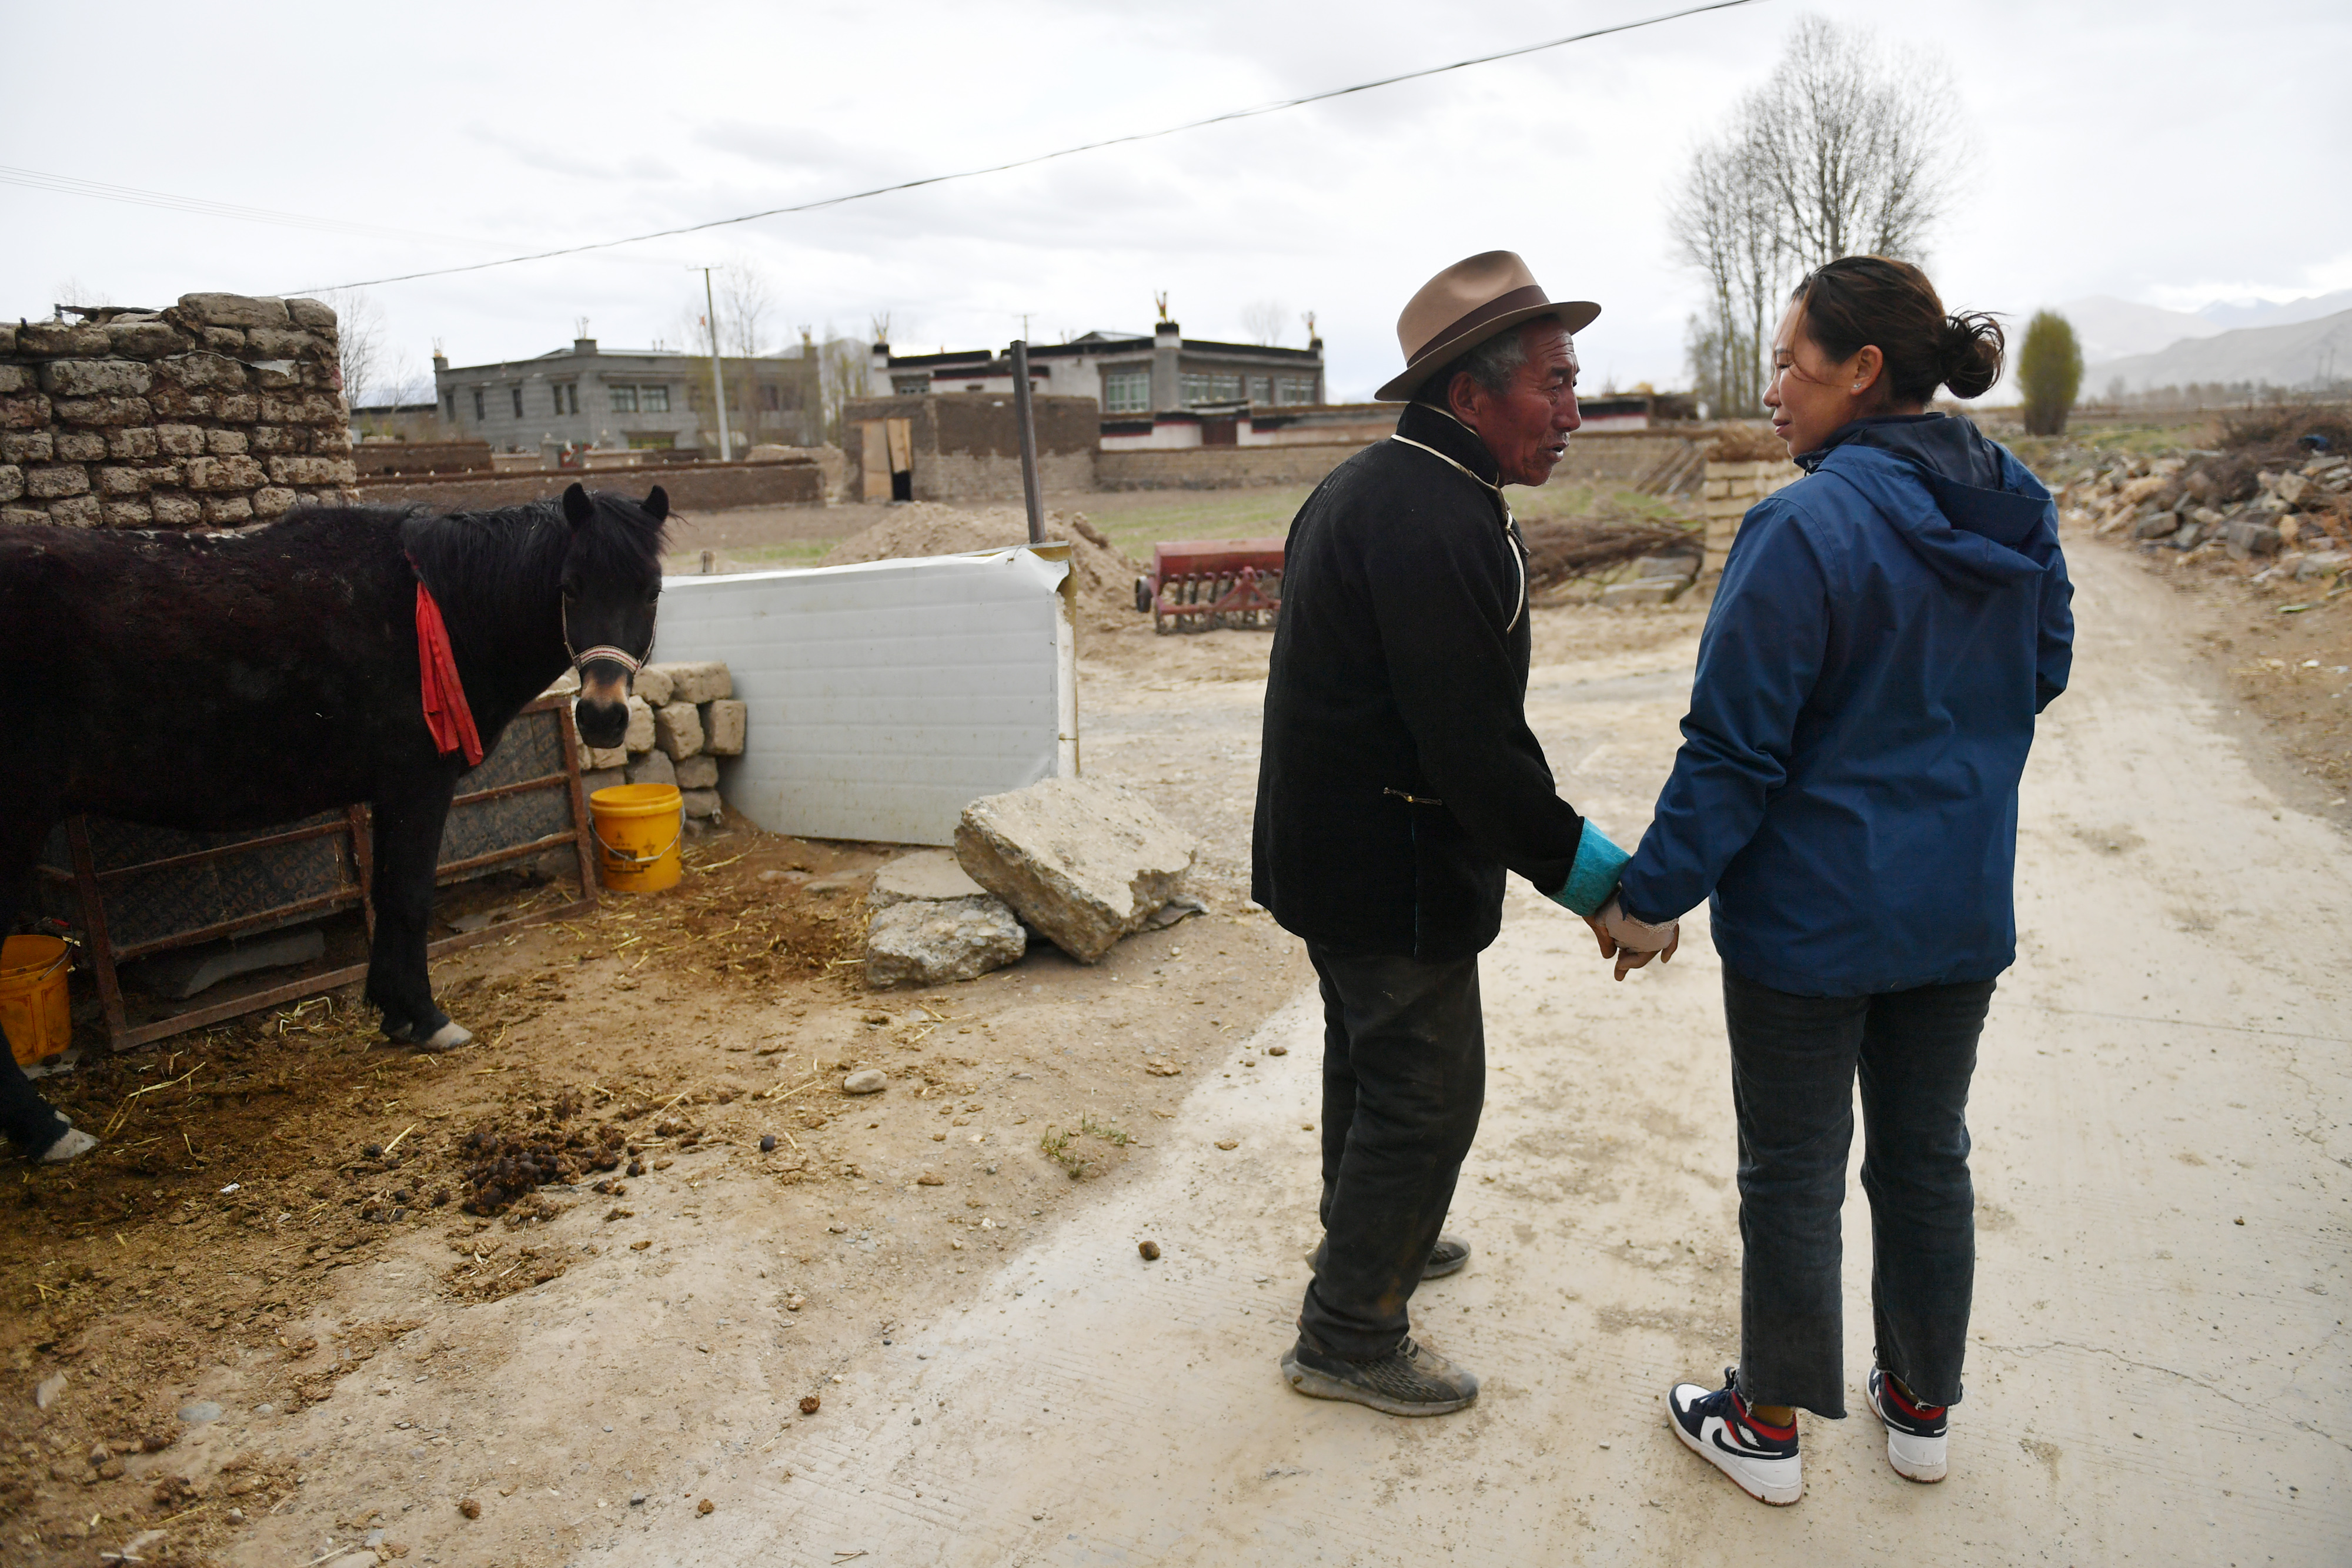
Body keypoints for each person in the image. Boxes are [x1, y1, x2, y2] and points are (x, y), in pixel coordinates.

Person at [1611, 256, 2073, 1503]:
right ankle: (1919, 1405)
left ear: (1862, 369)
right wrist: (1939, 745)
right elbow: (2042, 668)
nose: (1771, 388)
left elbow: (1732, 749)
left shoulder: (1799, 529)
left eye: (1788, 362)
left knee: (1793, 1172)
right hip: (1955, 906)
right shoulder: (2015, 501)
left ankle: (1765, 1423)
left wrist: (1650, 894)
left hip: (1808, 923)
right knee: (1925, 1157)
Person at [1254, 251, 1674, 1417]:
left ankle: (1365, 1233)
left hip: (1335, 852)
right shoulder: (1432, 519)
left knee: (1370, 1058)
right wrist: (1601, 884)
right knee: (1428, 1094)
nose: (1573, 411)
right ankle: (1348, 1330)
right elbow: (1474, 752)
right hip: (1385, 866)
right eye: (1555, 383)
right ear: (1469, 394)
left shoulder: (1389, 486)